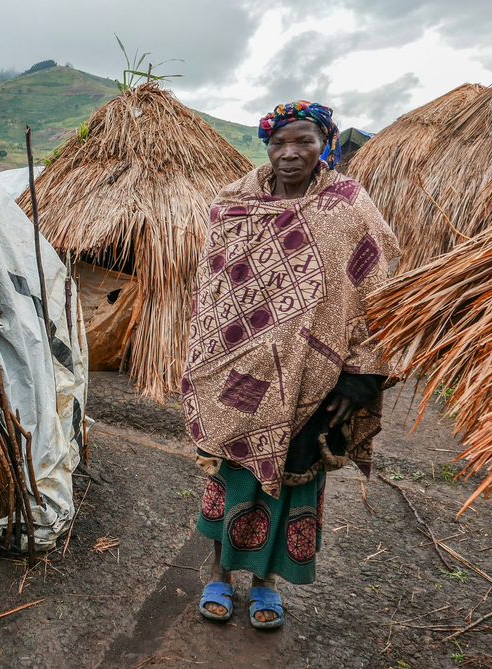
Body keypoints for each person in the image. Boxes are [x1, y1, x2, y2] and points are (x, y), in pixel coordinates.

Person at [181, 101, 399, 629]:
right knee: (231, 475)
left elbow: (379, 287)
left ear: (324, 143)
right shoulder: (234, 203)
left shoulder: (348, 205)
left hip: (315, 375)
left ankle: (265, 584)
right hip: (237, 368)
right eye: (279, 142)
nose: (290, 152)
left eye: (303, 141)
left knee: (294, 475)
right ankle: (218, 574)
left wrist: (361, 373)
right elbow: (212, 287)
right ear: (268, 146)